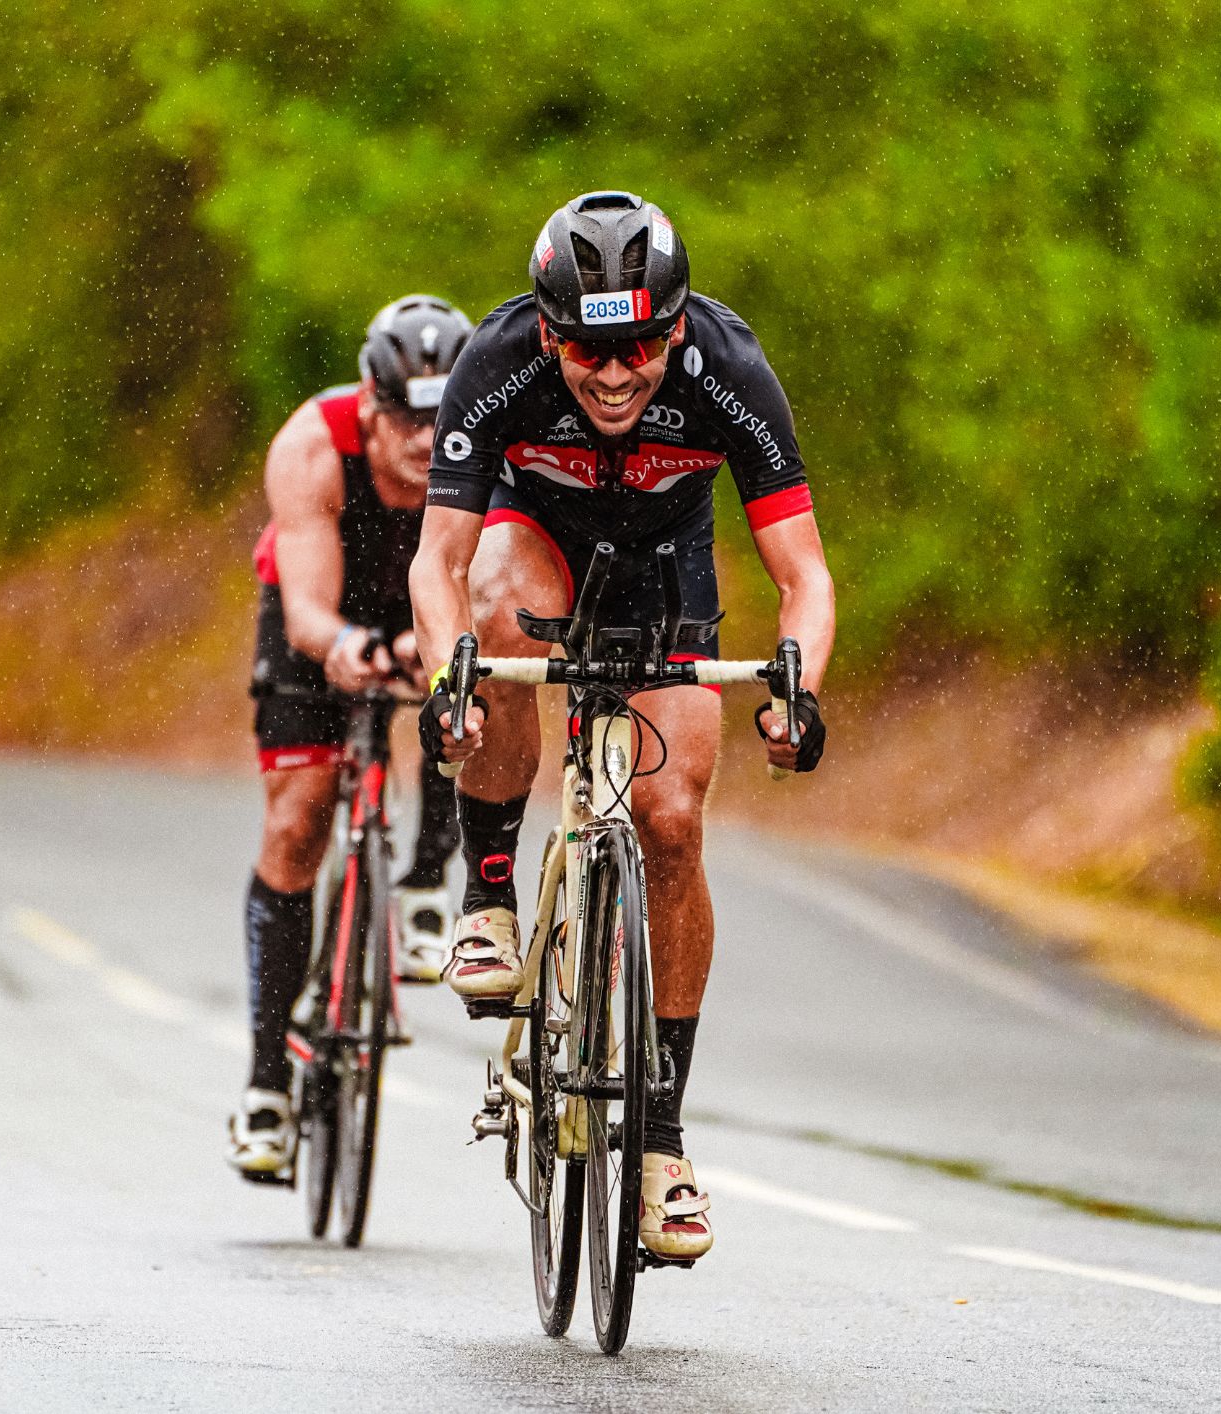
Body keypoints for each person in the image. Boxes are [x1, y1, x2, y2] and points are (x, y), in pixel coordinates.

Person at [409, 194, 836, 1259]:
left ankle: (657, 1143)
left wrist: (799, 693)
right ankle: (491, 895)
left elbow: (803, 575)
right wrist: (444, 683)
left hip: (662, 570)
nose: (613, 373)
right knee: (495, 616)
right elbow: (439, 563)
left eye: (639, 344)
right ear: (547, 332)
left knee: (672, 818)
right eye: (587, 349)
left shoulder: (727, 370)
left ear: (677, 326)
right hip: (529, 536)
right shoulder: (500, 358)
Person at [229, 295, 475, 1178]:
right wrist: (347, 647)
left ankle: (421, 880)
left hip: (431, 609)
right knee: (299, 820)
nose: (426, 436)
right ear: (371, 405)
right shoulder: (310, 445)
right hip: (323, 613)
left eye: (442, 415)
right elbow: (303, 611)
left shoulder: (481, 443)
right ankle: (265, 1083)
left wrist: (431, 648)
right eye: (409, 414)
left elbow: (488, 580)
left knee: (470, 699)